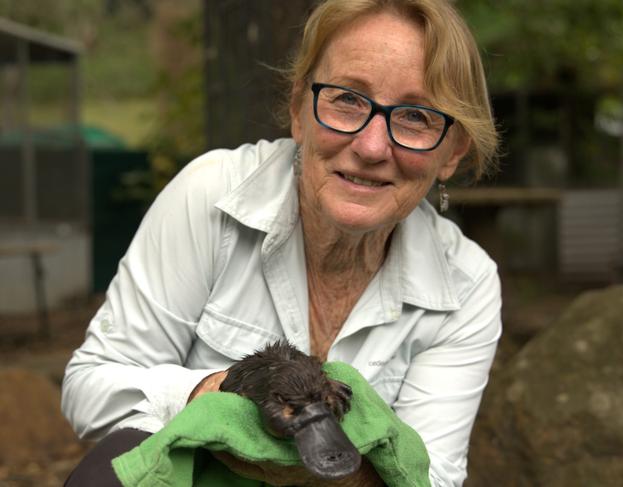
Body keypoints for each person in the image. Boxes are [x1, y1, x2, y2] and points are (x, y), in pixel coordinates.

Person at [63, 0, 501, 485]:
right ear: (298, 111)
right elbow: (91, 389)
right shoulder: (211, 196)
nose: (372, 147)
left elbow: (431, 477)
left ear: (452, 153)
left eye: (415, 116)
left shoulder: (467, 284)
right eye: (348, 99)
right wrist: (216, 392)